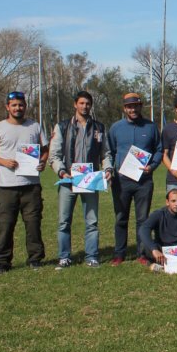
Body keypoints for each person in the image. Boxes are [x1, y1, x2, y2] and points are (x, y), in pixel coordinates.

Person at [0, 91, 49, 274]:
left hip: (31, 186)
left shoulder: (34, 126)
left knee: (33, 224)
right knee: (5, 225)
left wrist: (42, 161)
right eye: (14, 105)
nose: (18, 108)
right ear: (7, 107)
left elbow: (45, 149)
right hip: (7, 187)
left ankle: (35, 259)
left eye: (21, 105)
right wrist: (3, 161)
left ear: (25, 106)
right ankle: (2, 262)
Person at [49, 90, 112, 269]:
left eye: (88, 104)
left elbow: (105, 153)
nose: (85, 106)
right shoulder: (62, 126)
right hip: (68, 181)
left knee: (92, 221)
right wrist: (62, 172)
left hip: (90, 180)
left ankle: (91, 256)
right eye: (82, 103)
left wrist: (108, 168)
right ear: (75, 104)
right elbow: (54, 155)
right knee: (64, 221)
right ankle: (64, 257)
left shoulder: (99, 128)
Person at [108, 93, 163, 266]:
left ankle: (142, 253)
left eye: (136, 105)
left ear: (140, 107)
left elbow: (159, 150)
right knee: (120, 218)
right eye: (129, 106)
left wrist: (152, 166)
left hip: (144, 181)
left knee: (142, 219)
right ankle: (119, 253)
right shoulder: (116, 127)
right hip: (121, 181)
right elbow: (109, 151)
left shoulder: (151, 127)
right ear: (124, 108)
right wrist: (110, 169)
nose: (133, 109)